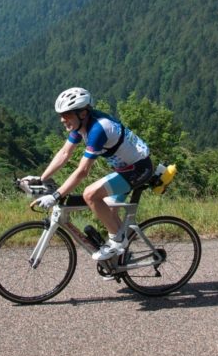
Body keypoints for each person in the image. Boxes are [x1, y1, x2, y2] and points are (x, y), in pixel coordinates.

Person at [22, 87, 152, 261]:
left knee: (90, 194)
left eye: (66, 114)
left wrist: (55, 195)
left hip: (139, 169)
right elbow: (64, 154)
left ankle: (117, 242)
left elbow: (83, 171)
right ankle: (121, 260)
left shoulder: (98, 129)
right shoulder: (81, 124)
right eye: (61, 115)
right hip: (124, 169)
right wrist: (41, 178)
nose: (62, 119)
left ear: (82, 113)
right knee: (109, 212)